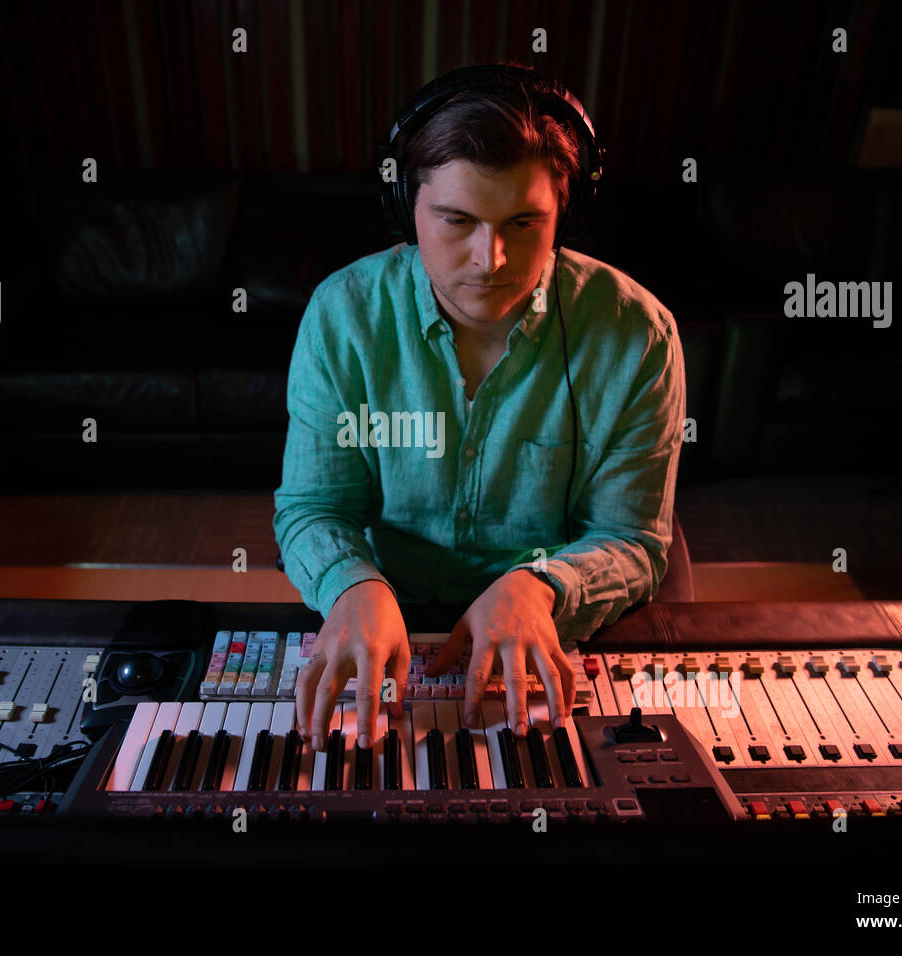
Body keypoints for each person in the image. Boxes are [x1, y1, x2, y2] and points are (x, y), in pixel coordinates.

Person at [273, 66, 686, 757]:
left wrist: (543, 584)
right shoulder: (341, 317)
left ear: (565, 209)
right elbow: (314, 507)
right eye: (457, 220)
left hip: (548, 615)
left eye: (524, 223)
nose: (489, 259)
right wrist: (352, 582)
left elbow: (633, 538)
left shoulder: (636, 334)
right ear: (406, 206)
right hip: (387, 606)